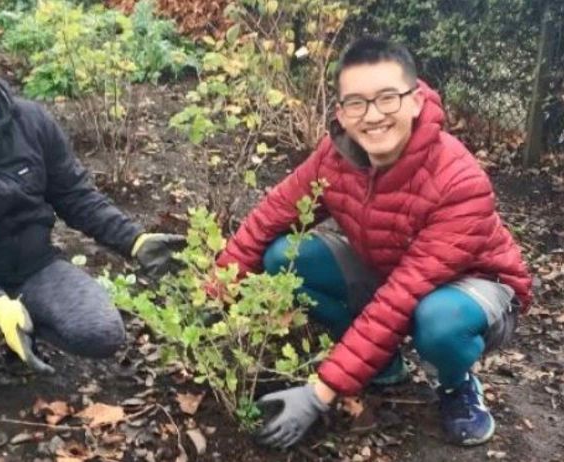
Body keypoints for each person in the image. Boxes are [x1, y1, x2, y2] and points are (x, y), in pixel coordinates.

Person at [213, 37, 532, 448]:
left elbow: (404, 294)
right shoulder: (335, 155)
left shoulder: (458, 181)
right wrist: (215, 293)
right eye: (357, 104)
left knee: (438, 322)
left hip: (472, 287)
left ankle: (456, 384)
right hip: (392, 266)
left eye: (387, 98)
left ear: (416, 100)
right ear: (342, 114)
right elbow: (271, 215)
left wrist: (320, 393)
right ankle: (382, 360)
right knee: (284, 258)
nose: (373, 116)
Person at [0, 12, 184, 422]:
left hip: (31, 265)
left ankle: (23, 327)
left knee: (101, 332)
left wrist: (134, 240)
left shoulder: (31, 121)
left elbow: (75, 196)